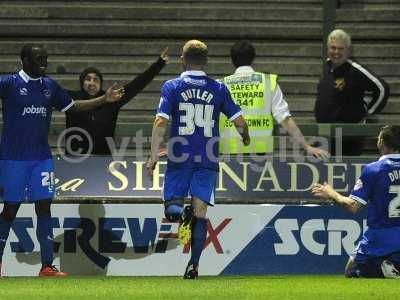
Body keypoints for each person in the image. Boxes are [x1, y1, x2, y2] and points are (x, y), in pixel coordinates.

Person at [0, 44, 123, 276]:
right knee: (11, 208)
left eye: (45, 58)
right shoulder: (9, 84)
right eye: (38, 58)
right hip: (13, 158)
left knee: (44, 206)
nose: (44, 62)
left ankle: (46, 266)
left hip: (41, 158)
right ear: (25, 60)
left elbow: (73, 107)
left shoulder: (49, 86)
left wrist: (104, 99)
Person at [146, 40, 250, 279]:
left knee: (172, 208)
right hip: (207, 156)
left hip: (179, 155)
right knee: (200, 213)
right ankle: (194, 266)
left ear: (183, 59)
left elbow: (160, 122)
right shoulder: (219, 88)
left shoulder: (172, 86)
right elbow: (240, 122)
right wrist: (245, 138)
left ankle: (182, 214)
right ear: (206, 61)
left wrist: (153, 156)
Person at [312, 125, 400, 278]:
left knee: (351, 271)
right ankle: (391, 266)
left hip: (379, 236)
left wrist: (332, 193)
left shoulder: (374, 170)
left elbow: (353, 206)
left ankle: (383, 270)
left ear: (381, 143)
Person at [220, 40, 329, 160]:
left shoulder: (221, 85)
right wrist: (306, 146)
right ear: (253, 58)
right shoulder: (268, 83)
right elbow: (284, 119)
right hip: (261, 156)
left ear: (232, 60)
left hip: (228, 155)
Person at [65, 48, 169, 155]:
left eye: (96, 79)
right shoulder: (71, 99)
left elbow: (136, 85)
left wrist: (159, 64)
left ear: (101, 84)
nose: (92, 83)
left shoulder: (112, 99)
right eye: (88, 79)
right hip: (73, 160)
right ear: (82, 82)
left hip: (102, 161)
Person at [314, 29, 390, 156]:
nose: (336, 52)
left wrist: (368, 112)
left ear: (348, 50)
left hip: (347, 137)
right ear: (328, 48)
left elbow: (382, 88)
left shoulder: (355, 70)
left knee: (343, 174)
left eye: (340, 48)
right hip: (324, 133)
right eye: (333, 48)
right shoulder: (327, 67)